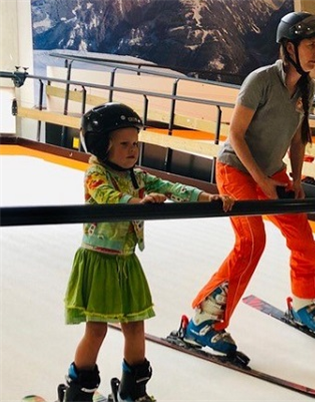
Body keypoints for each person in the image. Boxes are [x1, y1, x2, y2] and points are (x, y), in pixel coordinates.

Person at [183, 11, 315, 355]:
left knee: (303, 238)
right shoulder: (261, 80)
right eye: (310, 45)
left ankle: (303, 302)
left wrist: (295, 177)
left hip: (272, 172)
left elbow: (297, 137)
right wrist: (260, 180)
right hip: (236, 169)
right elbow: (235, 135)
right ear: (290, 47)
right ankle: (203, 319)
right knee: (251, 241)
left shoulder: (308, 88)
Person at [62, 102, 234, 402]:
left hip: (127, 262)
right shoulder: (95, 173)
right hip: (98, 261)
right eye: (124, 144)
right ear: (101, 145)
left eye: (135, 143)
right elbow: (106, 196)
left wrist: (206, 197)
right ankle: (78, 393)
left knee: (135, 327)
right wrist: (136, 203)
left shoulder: (137, 176)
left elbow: (171, 188)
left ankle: (133, 391)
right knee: (97, 330)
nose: (133, 150)